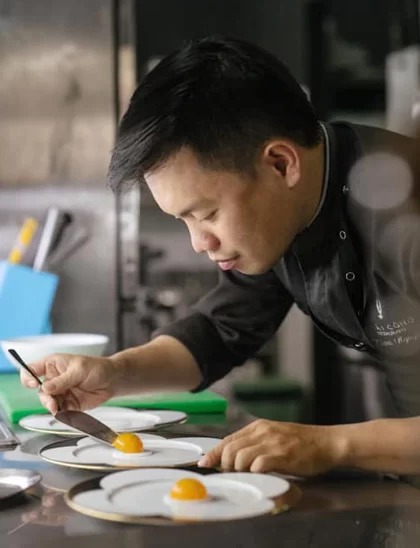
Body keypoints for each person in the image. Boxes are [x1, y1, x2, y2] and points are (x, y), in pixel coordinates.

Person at [21, 36, 420, 480]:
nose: (199, 242)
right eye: (183, 220)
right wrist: (115, 373)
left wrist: (332, 444)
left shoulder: (405, 208)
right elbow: (218, 332)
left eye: (207, 214)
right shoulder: (283, 215)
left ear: (281, 164)